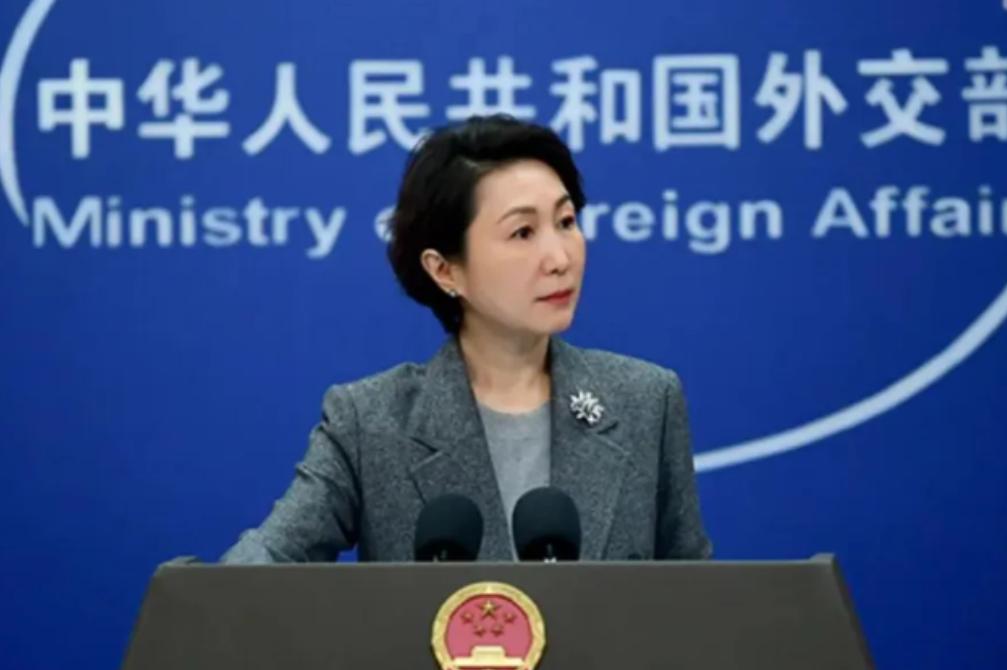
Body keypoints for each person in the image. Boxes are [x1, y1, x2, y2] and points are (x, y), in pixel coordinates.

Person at [221, 115, 712, 563]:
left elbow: (696, 602)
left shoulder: (647, 401)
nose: (560, 258)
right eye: (523, 233)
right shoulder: (369, 423)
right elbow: (257, 573)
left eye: (566, 222)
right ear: (444, 269)